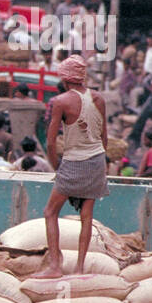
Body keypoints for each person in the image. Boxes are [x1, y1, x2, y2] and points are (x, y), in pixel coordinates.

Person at [33, 55, 109, 278]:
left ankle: (55, 265)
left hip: (74, 162)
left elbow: (49, 141)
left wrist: (56, 166)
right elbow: (104, 137)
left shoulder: (60, 102)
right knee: (86, 216)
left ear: (65, 79)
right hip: (97, 161)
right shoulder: (99, 99)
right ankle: (79, 268)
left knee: (50, 212)